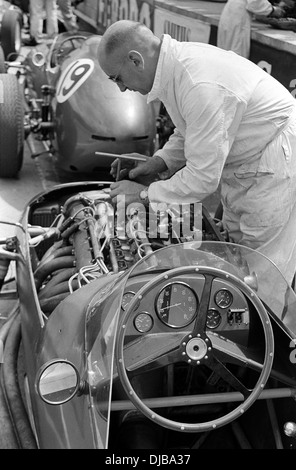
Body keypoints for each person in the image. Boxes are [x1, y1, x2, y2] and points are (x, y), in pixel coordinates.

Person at [97, 20, 296, 286]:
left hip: (273, 158)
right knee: (237, 255)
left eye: (117, 78)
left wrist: (144, 194)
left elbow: (202, 178)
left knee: (262, 269)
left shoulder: (198, 83)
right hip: (250, 161)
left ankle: (268, 323)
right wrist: (159, 162)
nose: (121, 88)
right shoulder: (173, 68)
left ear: (135, 60)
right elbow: (190, 130)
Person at [217, 0, 289, 59]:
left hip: (231, 11)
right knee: (236, 55)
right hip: (239, 16)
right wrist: (273, 10)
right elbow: (254, 3)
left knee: (225, 54)